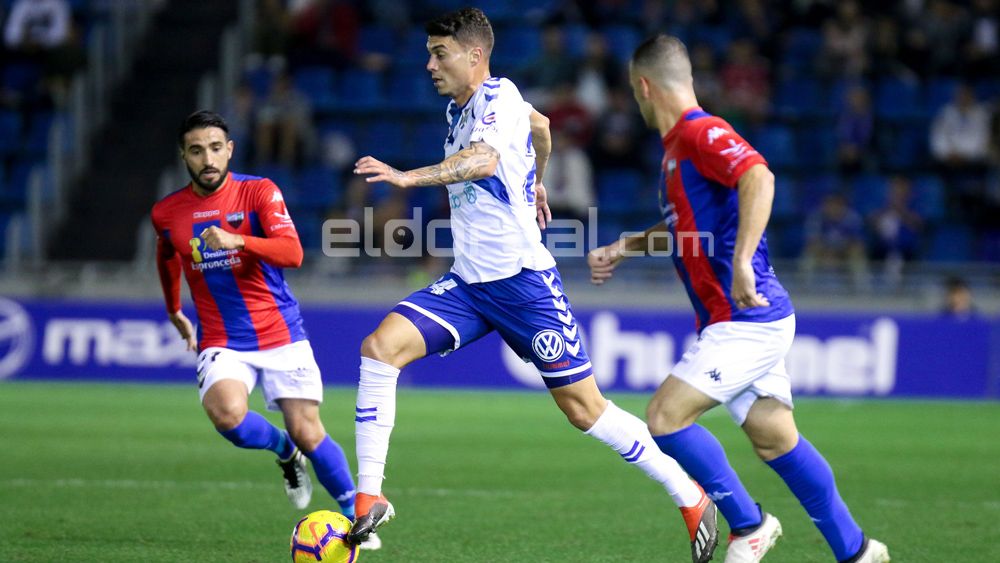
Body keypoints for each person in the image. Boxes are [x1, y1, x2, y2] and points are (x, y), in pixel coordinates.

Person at [346, 9, 719, 562]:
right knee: (379, 350)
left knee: (584, 410)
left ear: (475, 55)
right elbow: (541, 127)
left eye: (439, 53)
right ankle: (368, 499)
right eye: (428, 52)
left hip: (524, 284)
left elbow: (483, 158)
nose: (429, 64)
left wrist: (408, 176)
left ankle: (689, 495)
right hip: (470, 284)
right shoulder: (462, 107)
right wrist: (535, 181)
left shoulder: (497, 99)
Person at [587, 35, 890, 563]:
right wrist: (629, 246)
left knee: (665, 418)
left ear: (643, 86)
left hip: (744, 316)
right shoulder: (676, 152)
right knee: (775, 439)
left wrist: (744, 258)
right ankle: (858, 550)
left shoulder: (701, 132)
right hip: (742, 318)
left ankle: (749, 525)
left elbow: (758, 175)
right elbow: (688, 224)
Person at [151, 111, 368, 547]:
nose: (207, 158)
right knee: (228, 415)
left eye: (215, 148)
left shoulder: (258, 192)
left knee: (310, 431)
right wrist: (175, 308)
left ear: (229, 149)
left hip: (280, 331)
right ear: (184, 157)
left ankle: (355, 517)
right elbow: (168, 255)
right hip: (222, 338)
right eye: (196, 151)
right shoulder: (167, 212)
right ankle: (283, 451)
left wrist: (239, 241)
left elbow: (292, 252)